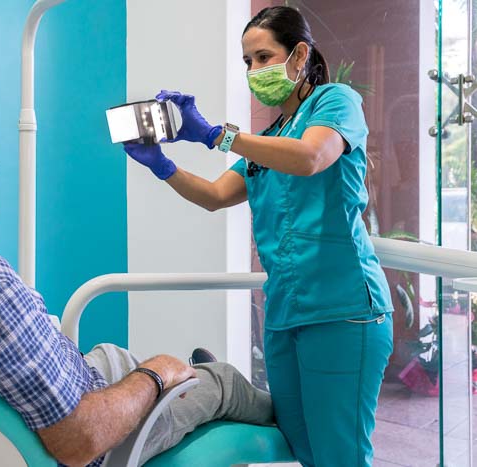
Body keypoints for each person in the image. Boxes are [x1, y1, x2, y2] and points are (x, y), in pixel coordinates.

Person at [0, 88, 274, 467]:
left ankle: (184, 373)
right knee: (224, 383)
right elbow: (80, 440)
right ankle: (258, 405)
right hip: (100, 431)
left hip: (76, 381)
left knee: (112, 355)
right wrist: (157, 374)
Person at [123, 6, 393, 467]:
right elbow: (214, 195)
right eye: (248, 62)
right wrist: (162, 165)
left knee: (340, 455)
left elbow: (310, 158)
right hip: (285, 315)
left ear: (300, 54)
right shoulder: (270, 136)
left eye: (264, 56)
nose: (254, 70)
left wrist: (215, 135)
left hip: (343, 310)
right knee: (303, 448)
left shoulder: (336, 102)